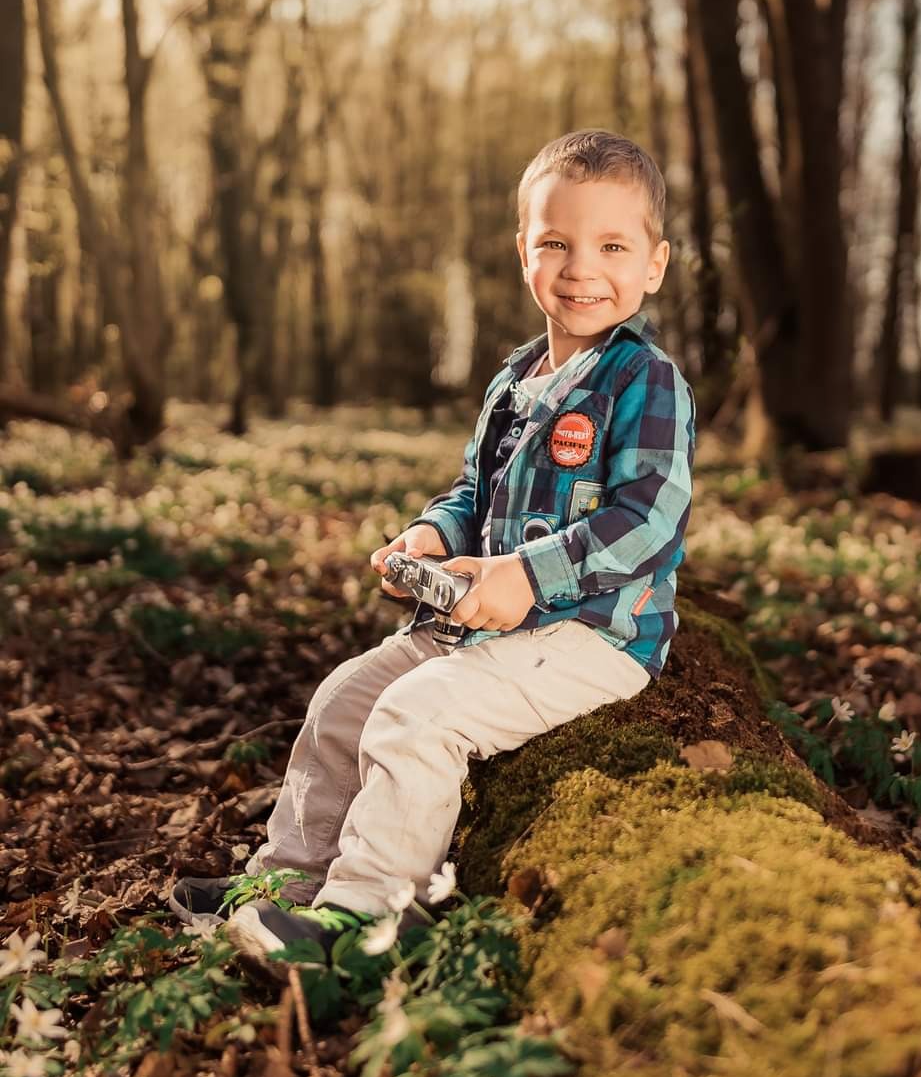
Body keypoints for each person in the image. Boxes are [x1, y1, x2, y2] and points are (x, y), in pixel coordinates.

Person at [169, 129, 696, 969]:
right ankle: (289, 883)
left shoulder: (646, 380)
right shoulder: (514, 381)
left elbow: (650, 516)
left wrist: (530, 574)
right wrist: (432, 533)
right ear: (524, 251)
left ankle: (368, 918)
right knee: (345, 700)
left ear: (654, 264)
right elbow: (472, 495)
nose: (581, 269)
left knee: (419, 716)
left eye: (612, 246)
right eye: (555, 243)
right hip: (478, 623)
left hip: (593, 634)